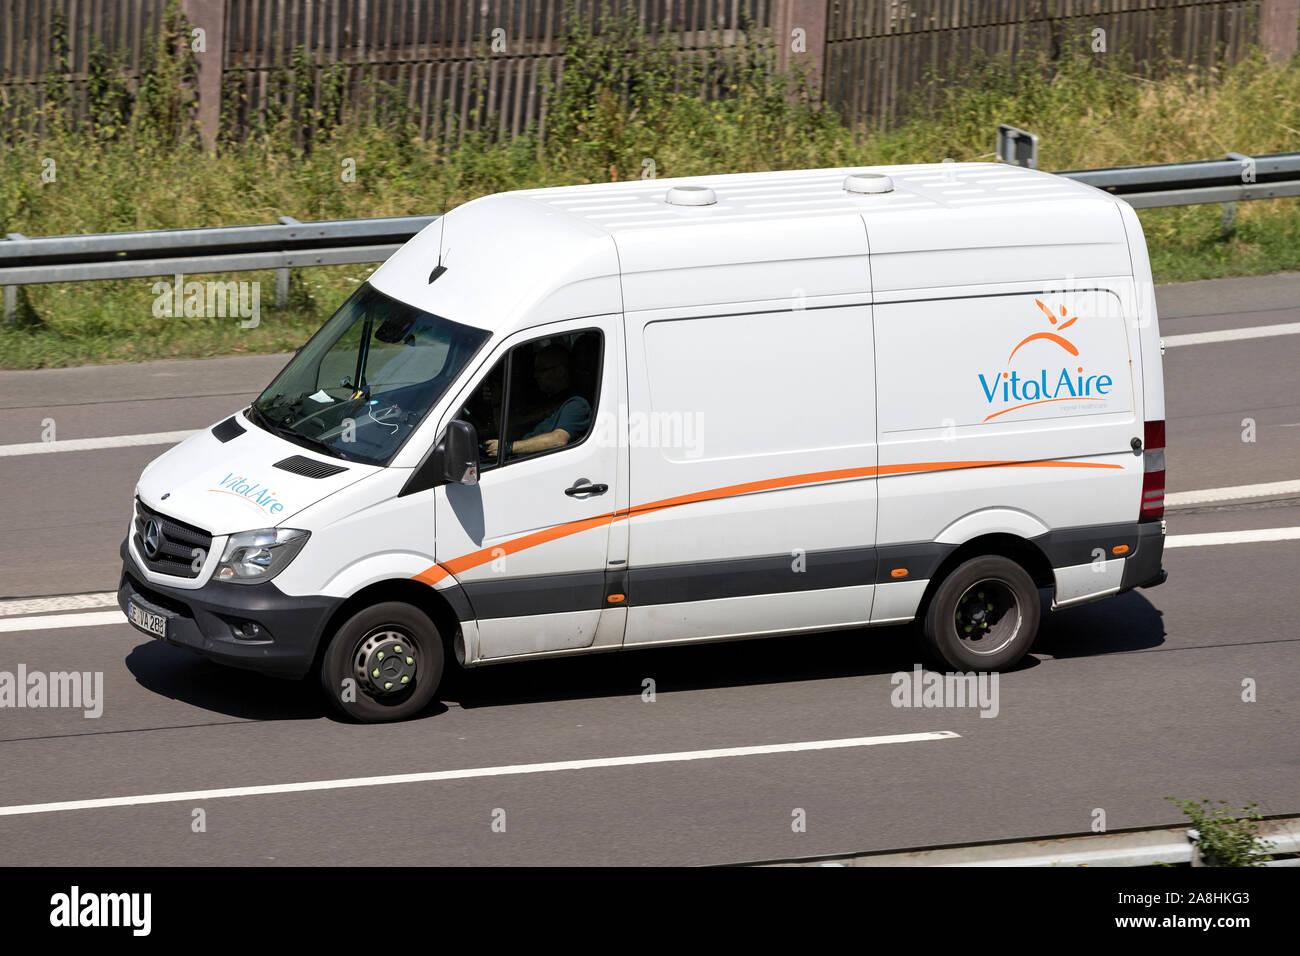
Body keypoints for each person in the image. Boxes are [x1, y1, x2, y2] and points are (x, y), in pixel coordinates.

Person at [485, 343, 591, 458]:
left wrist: (509, 448)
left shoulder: (576, 404)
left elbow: (559, 439)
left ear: (560, 371)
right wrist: (497, 402)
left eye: (541, 370)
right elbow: (511, 429)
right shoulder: (546, 401)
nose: (536, 376)